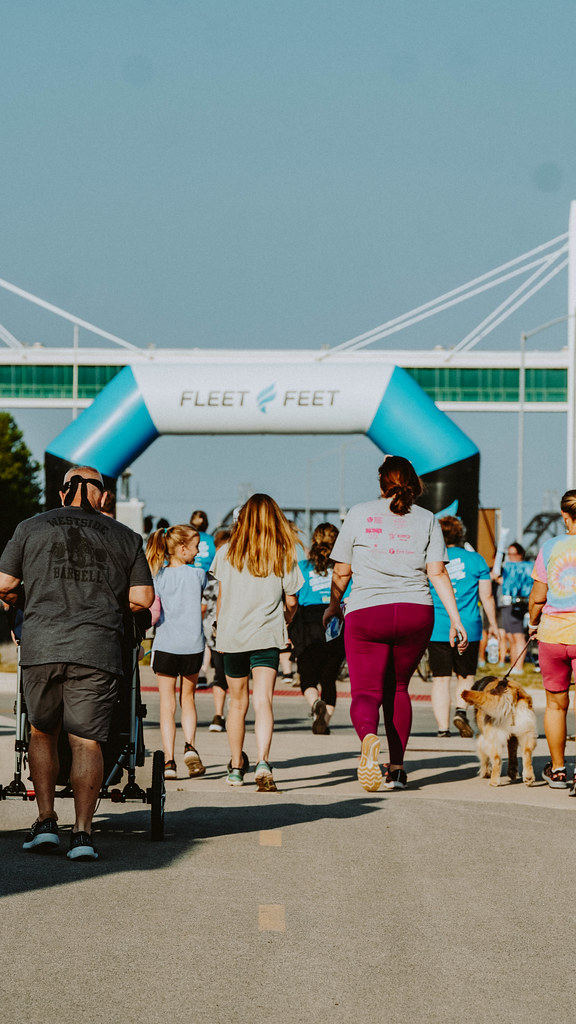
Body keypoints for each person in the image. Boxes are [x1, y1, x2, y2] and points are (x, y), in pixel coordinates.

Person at [0, 465, 154, 861]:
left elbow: (4, 585)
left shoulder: (30, 528)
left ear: (62, 493)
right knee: (87, 740)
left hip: (42, 646)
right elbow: (141, 599)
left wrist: (29, 600)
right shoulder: (127, 537)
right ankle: (83, 834)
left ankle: (47, 821)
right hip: (97, 649)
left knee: (42, 732)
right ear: (102, 496)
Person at [322, 456, 467, 792]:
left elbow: (342, 570)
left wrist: (332, 605)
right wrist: (455, 619)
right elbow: (437, 572)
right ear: (413, 483)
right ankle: (398, 770)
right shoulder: (428, 519)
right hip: (416, 611)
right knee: (399, 688)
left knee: (366, 692)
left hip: (368, 612)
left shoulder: (359, 513)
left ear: (381, 484)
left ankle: (369, 740)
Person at [211, 494, 303, 791]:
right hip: (266, 635)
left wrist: (218, 626)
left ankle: (236, 766)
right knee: (264, 701)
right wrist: (286, 620)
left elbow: (222, 597)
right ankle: (263, 761)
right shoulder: (283, 552)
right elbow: (291, 599)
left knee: (237, 703)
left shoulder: (226, 553)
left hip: (232, 636)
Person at [427, 516, 499, 738]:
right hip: (469, 625)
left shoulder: (430, 560)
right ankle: (460, 710)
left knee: (440, 678)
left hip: (438, 625)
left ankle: (442, 729)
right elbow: (486, 596)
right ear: (460, 535)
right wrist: (494, 625)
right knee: (465, 675)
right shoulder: (476, 560)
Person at [146, 524, 207, 779]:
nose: (198, 551)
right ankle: (190, 746)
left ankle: (169, 760)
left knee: (167, 704)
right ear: (182, 548)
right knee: (188, 699)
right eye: (195, 547)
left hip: (166, 645)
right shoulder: (199, 575)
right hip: (192, 645)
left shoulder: (157, 576)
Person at [528, 490, 576, 791]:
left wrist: (533, 623)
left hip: (553, 636)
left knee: (556, 705)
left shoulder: (550, 547)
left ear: (564, 516)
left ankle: (558, 770)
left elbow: (537, 597)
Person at [289, 523, 347, 734]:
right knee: (329, 678)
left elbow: (293, 599)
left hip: (307, 624)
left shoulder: (302, 567)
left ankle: (315, 704)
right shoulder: (342, 569)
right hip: (335, 622)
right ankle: (325, 721)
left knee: (308, 677)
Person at [202, 528, 232, 731]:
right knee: (235, 676)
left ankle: (218, 714)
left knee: (219, 675)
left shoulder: (211, 579)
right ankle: (231, 712)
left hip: (214, 633)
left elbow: (203, 607)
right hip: (238, 632)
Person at [494, 541, 533, 673]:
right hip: (506, 604)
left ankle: (519, 666)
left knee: (518, 636)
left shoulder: (524, 567)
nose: (511, 556)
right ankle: (513, 665)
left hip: (517, 603)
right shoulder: (508, 567)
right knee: (510, 636)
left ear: (520, 554)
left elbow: (515, 583)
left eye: (513, 554)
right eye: (509, 554)